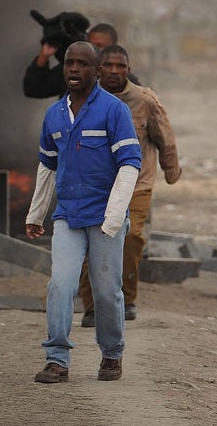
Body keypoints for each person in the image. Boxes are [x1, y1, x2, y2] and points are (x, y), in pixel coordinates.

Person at [25, 41, 142, 384]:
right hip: (68, 216)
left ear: (98, 71)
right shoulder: (54, 115)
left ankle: (111, 353)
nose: (74, 69)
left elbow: (130, 163)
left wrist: (115, 215)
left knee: (106, 291)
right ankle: (57, 359)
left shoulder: (113, 110)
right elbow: (47, 166)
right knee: (60, 285)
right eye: (68, 63)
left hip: (106, 218)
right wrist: (36, 214)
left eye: (82, 64)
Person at [77, 44, 181, 326]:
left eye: (120, 66)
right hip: (96, 187)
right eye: (108, 66)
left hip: (137, 185)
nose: (114, 71)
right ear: (99, 69)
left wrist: (171, 172)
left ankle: (127, 299)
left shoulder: (144, 100)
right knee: (89, 242)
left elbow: (165, 138)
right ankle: (92, 307)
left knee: (132, 237)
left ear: (128, 70)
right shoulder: (85, 98)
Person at [23, 10, 91, 99]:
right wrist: (44, 56)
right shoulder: (73, 72)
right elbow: (33, 89)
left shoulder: (110, 75)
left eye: (100, 45)